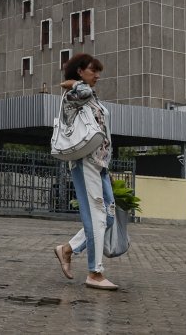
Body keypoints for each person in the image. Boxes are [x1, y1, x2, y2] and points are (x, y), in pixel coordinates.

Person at [52, 54, 118, 290]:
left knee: (109, 216)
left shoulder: (90, 95)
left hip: (101, 163)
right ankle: (95, 273)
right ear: (80, 72)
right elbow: (84, 93)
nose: (97, 76)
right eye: (93, 71)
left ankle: (67, 249)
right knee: (98, 216)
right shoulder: (74, 95)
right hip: (85, 161)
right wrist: (72, 83)